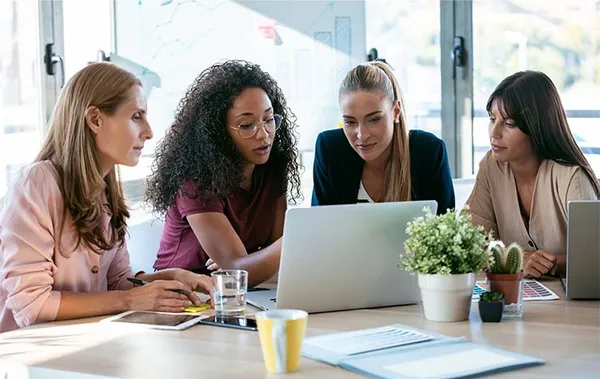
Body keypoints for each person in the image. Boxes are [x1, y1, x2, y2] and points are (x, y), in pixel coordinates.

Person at [0, 62, 212, 379]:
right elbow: (31, 305)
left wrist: (170, 277)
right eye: (136, 116)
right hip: (28, 376)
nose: (149, 131)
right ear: (95, 119)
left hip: (85, 361)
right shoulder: (37, 184)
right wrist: (131, 298)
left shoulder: (105, 190)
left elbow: (115, 282)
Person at [146, 60, 302, 287]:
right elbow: (238, 271)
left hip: (247, 291)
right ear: (217, 132)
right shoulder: (196, 181)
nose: (264, 134)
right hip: (185, 294)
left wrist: (248, 262)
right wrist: (300, 237)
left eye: (269, 119)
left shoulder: (272, 169)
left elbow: (274, 254)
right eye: (247, 125)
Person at [465, 70, 600, 278]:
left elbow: (593, 256)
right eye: (492, 119)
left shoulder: (571, 177)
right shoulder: (491, 167)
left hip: (573, 304)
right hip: (518, 295)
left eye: (509, 123)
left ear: (538, 127)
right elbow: (468, 244)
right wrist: (516, 258)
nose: (494, 132)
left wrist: (552, 264)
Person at [311, 61, 455, 213]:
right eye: (350, 122)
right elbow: (320, 227)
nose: (362, 135)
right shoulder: (330, 150)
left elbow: (444, 229)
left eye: (374, 120)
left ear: (396, 111)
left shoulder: (429, 152)